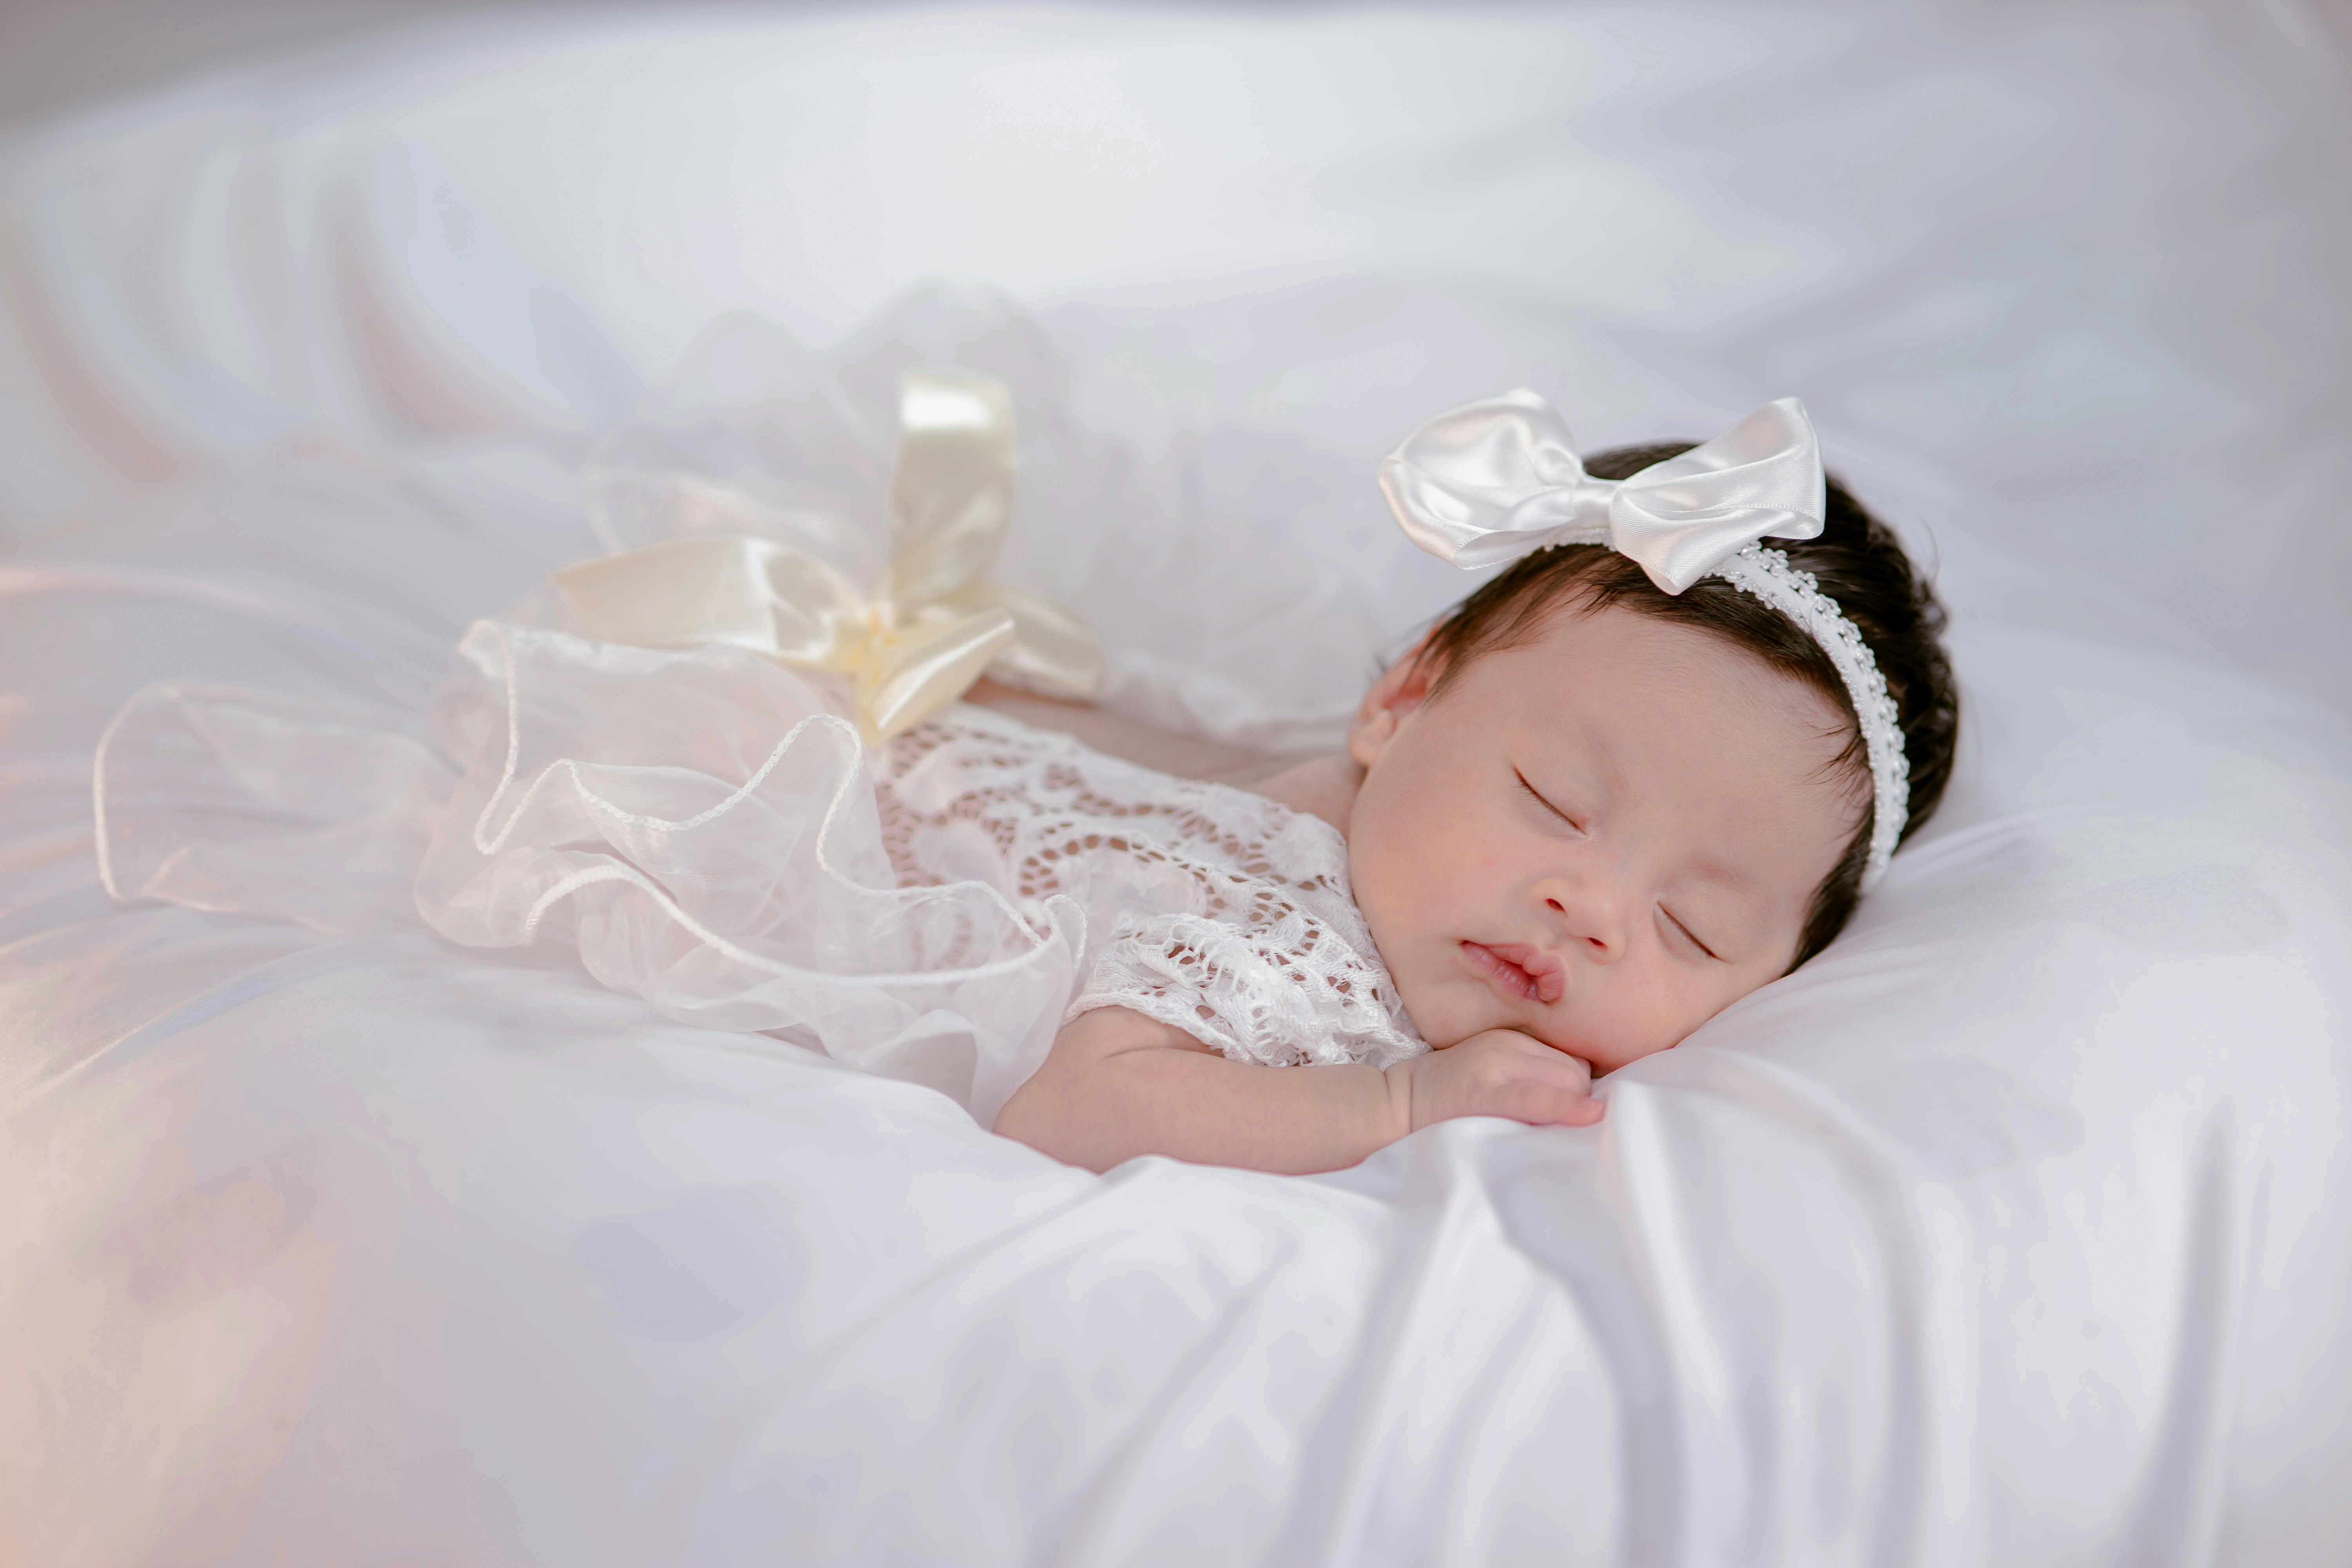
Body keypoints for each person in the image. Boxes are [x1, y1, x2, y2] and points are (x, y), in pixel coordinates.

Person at [927, 392, 1960, 1173]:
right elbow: (1070, 1113)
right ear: (1403, 703)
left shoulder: (1413, 861)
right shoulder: (1282, 905)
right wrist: (1395, 1106)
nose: (1591, 908)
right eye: (1553, 798)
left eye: (1693, 925)